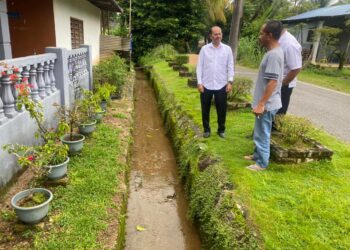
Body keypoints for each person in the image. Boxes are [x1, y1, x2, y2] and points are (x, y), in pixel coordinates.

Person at [245, 20, 284, 171]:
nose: (259, 36)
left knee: (263, 133)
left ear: (270, 35)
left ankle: (261, 163)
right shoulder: (273, 53)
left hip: (267, 104)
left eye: (262, 33)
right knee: (259, 130)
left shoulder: (274, 55)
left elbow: (272, 82)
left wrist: (261, 104)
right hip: (266, 103)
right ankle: (257, 155)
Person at [196, 26, 234, 138]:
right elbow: (199, 67)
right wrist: (199, 82)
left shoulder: (227, 49)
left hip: (222, 84)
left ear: (222, 35)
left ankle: (221, 130)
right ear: (211, 36)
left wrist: (230, 81)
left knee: (222, 109)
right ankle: (206, 130)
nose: (218, 36)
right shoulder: (204, 49)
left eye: (219, 34)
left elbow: (230, 66)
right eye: (215, 34)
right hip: (206, 84)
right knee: (205, 109)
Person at [277, 28, 302, 115]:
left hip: (283, 85)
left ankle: (274, 128)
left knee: (278, 114)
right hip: (276, 83)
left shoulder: (289, 44)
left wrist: (283, 83)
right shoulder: (279, 40)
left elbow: (296, 68)